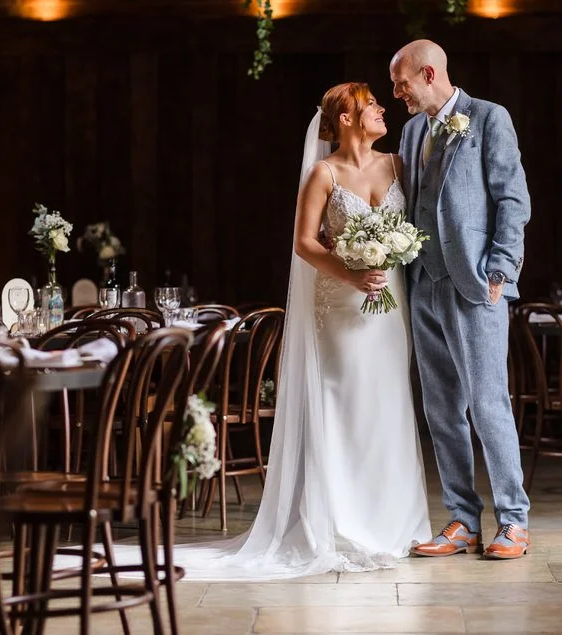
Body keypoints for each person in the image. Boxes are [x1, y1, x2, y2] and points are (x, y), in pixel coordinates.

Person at [173, 82, 431, 580]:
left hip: (388, 310)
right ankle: (341, 522)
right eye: (372, 104)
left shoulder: (399, 164)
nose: (382, 109)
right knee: (343, 406)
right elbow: (305, 244)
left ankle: (394, 522)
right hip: (339, 308)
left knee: (389, 405)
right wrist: (351, 272)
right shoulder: (323, 173)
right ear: (348, 117)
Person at [390, 39, 532, 560]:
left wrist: (500, 266)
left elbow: (513, 198)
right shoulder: (409, 132)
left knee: (487, 403)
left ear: (428, 74)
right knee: (441, 408)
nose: (397, 93)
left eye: (401, 82)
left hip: (476, 284)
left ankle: (514, 522)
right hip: (422, 284)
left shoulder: (490, 118)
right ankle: (462, 520)